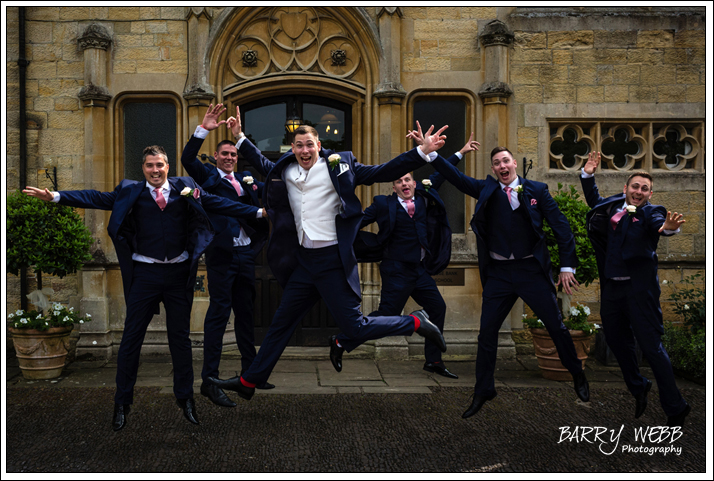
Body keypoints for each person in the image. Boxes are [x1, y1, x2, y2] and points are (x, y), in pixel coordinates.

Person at [206, 109, 448, 400]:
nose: (304, 150)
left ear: (318, 145)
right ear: (292, 148)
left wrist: (420, 152)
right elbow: (262, 163)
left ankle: (416, 322)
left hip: (333, 261)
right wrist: (240, 137)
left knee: (355, 328)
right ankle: (249, 382)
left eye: (309, 144)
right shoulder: (286, 170)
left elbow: (382, 171)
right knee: (281, 323)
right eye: (298, 145)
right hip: (305, 263)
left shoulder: (340, 166)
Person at [23, 145, 265, 430]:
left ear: (167, 167)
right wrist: (55, 196)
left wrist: (259, 212)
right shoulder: (130, 191)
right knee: (131, 340)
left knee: (181, 340)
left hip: (178, 276)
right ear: (143, 168)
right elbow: (97, 198)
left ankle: (185, 398)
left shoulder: (185, 187)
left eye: (160, 165)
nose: (155, 170)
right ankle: (122, 402)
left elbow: (218, 203)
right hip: (145, 276)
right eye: (150, 165)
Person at [427, 146, 590, 418]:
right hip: (500, 274)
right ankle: (483, 390)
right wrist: (431, 154)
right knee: (486, 334)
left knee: (556, 327)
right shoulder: (486, 189)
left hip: (531, 271)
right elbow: (455, 178)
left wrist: (566, 266)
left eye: (505, 161)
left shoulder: (536, 190)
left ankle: (576, 374)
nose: (502, 166)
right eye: (496, 163)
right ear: (493, 169)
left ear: (514, 163)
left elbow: (562, 228)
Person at [355, 132, 481, 379]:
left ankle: (433, 360)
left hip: (420, 271)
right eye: (399, 181)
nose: (404, 184)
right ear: (393, 186)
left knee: (437, 307)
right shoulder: (382, 204)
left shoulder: (424, 196)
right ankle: (345, 338)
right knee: (385, 318)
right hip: (396, 270)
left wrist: (461, 152)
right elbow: (357, 222)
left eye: (408, 180)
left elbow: (440, 174)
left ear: (414, 183)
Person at [580, 151, 690, 427]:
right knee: (616, 341)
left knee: (652, 349)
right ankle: (639, 385)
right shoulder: (613, 205)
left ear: (650, 193)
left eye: (644, 188)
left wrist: (669, 229)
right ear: (625, 188)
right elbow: (594, 203)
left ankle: (676, 407)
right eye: (635, 186)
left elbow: (659, 226)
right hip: (613, 291)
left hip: (639, 293)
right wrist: (587, 174)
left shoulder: (652, 212)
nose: (638, 191)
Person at [181, 104, 274, 408]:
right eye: (225, 154)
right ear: (217, 157)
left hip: (245, 254)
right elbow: (186, 159)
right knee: (219, 316)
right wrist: (203, 130)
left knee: (246, 314)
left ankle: (252, 374)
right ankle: (210, 379)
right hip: (221, 255)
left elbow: (272, 187)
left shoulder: (247, 180)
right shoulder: (207, 177)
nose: (230, 158)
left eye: (234, 154)